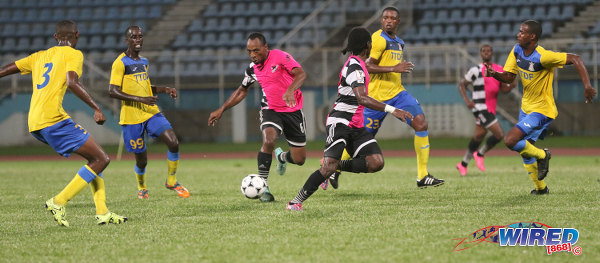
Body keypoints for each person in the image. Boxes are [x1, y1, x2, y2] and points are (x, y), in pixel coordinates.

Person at [0, 20, 127, 226]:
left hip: (35, 122)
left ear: (55, 37)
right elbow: (72, 82)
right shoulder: (74, 54)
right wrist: (96, 107)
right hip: (53, 119)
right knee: (102, 159)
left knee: (94, 159)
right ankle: (58, 201)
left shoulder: (39, 56)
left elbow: (8, 68)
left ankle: (102, 212)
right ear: (77, 35)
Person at [286, 27, 413, 211]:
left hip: (355, 125)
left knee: (376, 162)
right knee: (327, 168)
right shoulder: (354, 67)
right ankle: (295, 202)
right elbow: (362, 98)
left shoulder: (359, 64)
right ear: (368, 45)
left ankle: (336, 166)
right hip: (340, 123)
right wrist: (393, 110)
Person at [485, 20, 596, 194]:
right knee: (525, 148)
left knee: (510, 140)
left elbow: (576, 58)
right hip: (526, 107)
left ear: (532, 36)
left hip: (542, 110)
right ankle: (540, 188)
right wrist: (495, 75)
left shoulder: (543, 57)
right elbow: (509, 77)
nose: (518, 34)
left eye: (522, 32)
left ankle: (544, 155)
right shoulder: (517, 50)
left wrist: (587, 86)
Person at [208, 32, 307, 202]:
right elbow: (242, 90)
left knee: (299, 159)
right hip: (270, 108)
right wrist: (221, 109)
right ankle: (264, 187)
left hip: (292, 110)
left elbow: (301, 74)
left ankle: (281, 157)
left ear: (265, 48)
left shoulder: (281, 57)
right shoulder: (252, 69)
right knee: (269, 140)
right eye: (249, 51)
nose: (252, 55)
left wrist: (290, 90)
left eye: (256, 50)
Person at [109, 26, 190, 199]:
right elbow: (113, 91)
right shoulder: (120, 62)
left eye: (140, 36)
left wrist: (164, 89)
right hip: (131, 117)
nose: (138, 40)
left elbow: (145, 86)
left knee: (173, 142)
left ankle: (171, 181)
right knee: (142, 160)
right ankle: (142, 186)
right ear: (127, 40)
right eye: (134, 37)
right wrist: (140, 99)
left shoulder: (144, 62)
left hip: (150, 112)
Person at [456, 44, 516, 176]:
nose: (487, 53)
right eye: (484, 51)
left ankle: (463, 163)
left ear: (492, 53)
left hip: (490, 108)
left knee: (478, 136)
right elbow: (462, 84)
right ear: (481, 54)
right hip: (479, 107)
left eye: (489, 51)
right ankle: (480, 154)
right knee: (499, 134)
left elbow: (503, 90)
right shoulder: (476, 70)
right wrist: (467, 101)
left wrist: (511, 86)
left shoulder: (498, 70)